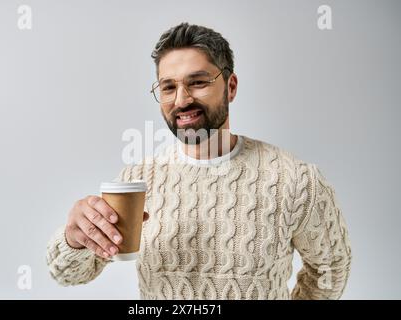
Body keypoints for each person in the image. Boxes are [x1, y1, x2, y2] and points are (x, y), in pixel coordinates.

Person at [46, 22, 351, 299]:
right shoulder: (137, 180)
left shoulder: (296, 180)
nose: (181, 100)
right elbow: (66, 274)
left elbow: (331, 269)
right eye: (168, 87)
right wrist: (74, 238)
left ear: (230, 87)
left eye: (198, 82)